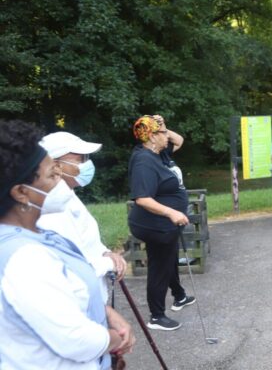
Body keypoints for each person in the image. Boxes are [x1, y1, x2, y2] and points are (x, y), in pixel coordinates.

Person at [0, 120, 135, 369]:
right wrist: (116, 341)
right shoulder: (25, 258)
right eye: (53, 175)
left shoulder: (32, 235)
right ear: (21, 192)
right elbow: (76, 339)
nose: (59, 183)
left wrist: (104, 312)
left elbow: (64, 292)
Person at [37, 131, 127, 304]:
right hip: (75, 305)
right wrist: (108, 264)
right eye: (81, 159)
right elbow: (68, 268)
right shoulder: (50, 210)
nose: (87, 164)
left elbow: (85, 240)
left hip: (90, 299)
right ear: (55, 166)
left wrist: (104, 252)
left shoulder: (67, 194)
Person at [128, 115, 195, 331]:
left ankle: (179, 296)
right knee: (159, 268)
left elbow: (179, 140)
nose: (167, 136)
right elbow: (142, 198)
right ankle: (156, 316)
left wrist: (163, 125)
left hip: (164, 224)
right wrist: (171, 213)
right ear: (151, 136)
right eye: (162, 133)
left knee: (168, 260)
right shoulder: (143, 161)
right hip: (155, 224)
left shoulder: (157, 153)